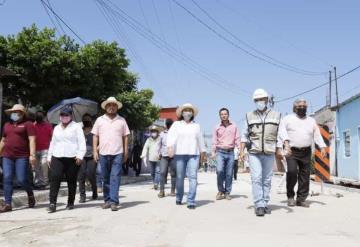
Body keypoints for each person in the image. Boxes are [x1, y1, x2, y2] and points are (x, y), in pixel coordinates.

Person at [277, 99, 326, 208]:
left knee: (305, 176)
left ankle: (301, 199)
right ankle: (290, 196)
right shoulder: (287, 119)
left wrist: (322, 147)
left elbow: (317, 134)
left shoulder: (311, 120)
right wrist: (280, 148)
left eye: (304, 106)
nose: (302, 108)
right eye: (300, 106)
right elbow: (281, 133)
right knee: (292, 172)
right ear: (295, 108)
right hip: (291, 151)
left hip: (306, 151)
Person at [240, 89, 281, 217]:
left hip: (269, 151)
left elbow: (280, 134)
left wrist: (280, 148)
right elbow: (244, 135)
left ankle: (265, 202)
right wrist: (241, 151)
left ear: (267, 100)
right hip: (254, 152)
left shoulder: (277, 115)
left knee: (267, 179)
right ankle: (259, 204)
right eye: (257, 100)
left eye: (262, 99)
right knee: (256, 177)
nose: (259, 102)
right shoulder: (249, 115)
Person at [92, 97, 130, 211]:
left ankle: (114, 201)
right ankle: (107, 200)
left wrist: (126, 151)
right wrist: (94, 150)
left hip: (118, 152)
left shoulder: (122, 120)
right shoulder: (99, 120)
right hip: (103, 153)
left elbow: (126, 136)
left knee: (115, 177)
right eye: (109, 105)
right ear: (106, 107)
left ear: (117, 107)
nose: (111, 107)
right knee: (105, 177)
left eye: (114, 105)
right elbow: (95, 136)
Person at [167, 103, 206, 209]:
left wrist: (203, 152)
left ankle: (191, 201)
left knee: (193, 177)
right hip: (179, 154)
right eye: (185, 110)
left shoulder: (196, 126)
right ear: (182, 113)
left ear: (192, 113)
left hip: (193, 155)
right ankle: (179, 197)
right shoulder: (176, 125)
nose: (187, 112)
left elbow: (200, 140)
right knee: (180, 178)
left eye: (190, 110)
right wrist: (170, 147)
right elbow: (171, 136)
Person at [47, 106, 86, 213]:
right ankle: (52, 203)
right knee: (55, 178)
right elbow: (53, 143)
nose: (64, 117)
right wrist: (49, 156)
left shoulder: (76, 127)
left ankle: (70, 202)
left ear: (71, 116)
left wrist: (80, 156)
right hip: (57, 156)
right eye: (62, 115)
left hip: (72, 157)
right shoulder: (56, 128)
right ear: (60, 116)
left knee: (71, 180)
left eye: (66, 115)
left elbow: (82, 142)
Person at [0, 104, 36, 213]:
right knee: (7, 177)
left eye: (17, 112)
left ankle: (30, 194)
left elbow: (32, 140)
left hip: (22, 156)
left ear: (22, 114)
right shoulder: (7, 125)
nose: (14, 114)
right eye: (13, 112)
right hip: (7, 156)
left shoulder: (28, 124)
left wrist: (32, 155)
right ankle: (8, 204)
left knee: (21, 179)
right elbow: (3, 140)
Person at [211, 108, 240, 200]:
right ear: (220, 116)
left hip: (230, 152)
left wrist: (240, 150)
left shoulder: (234, 126)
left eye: (225, 114)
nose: (224, 115)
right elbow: (214, 141)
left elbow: (237, 139)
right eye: (222, 114)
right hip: (220, 152)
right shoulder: (217, 127)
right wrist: (213, 151)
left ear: (228, 115)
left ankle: (227, 192)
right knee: (219, 171)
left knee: (229, 174)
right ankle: (220, 190)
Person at [78, 113, 98, 203]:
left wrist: (96, 150)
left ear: (91, 120)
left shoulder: (95, 131)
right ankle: (82, 196)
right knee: (81, 176)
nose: (86, 120)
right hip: (81, 157)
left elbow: (100, 143)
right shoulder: (79, 131)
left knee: (91, 174)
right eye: (84, 119)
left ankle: (94, 190)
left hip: (92, 156)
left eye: (88, 119)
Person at [33, 110, 53, 188]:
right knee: (36, 166)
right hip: (35, 148)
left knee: (44, 163)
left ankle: (45, 181)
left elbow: (52, 137)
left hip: (45, 148)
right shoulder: (33, 125)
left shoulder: (48, 125)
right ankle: (37, 182)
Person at [157, 119, 176, 198]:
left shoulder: (176, 134)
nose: (168, 126)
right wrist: (158, 153)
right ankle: (162, 191)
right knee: (162, 172)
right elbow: (159, 144)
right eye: (167, 124)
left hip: (173, 157)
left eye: (170, 124)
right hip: (164, 156)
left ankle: (172, 191)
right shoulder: (162, 134)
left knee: (173, 174)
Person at [141, 126, 161, 190]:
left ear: (157, 132)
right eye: (152, 131)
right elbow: (145, 147)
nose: (153, 132)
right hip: (151, 158)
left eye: (155, 131)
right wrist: (143, 155)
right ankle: (154, 183)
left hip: (159, 158)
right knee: (152, 172)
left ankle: (156, 184)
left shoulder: (160, 138)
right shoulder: (149, 139)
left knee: (158, 171)